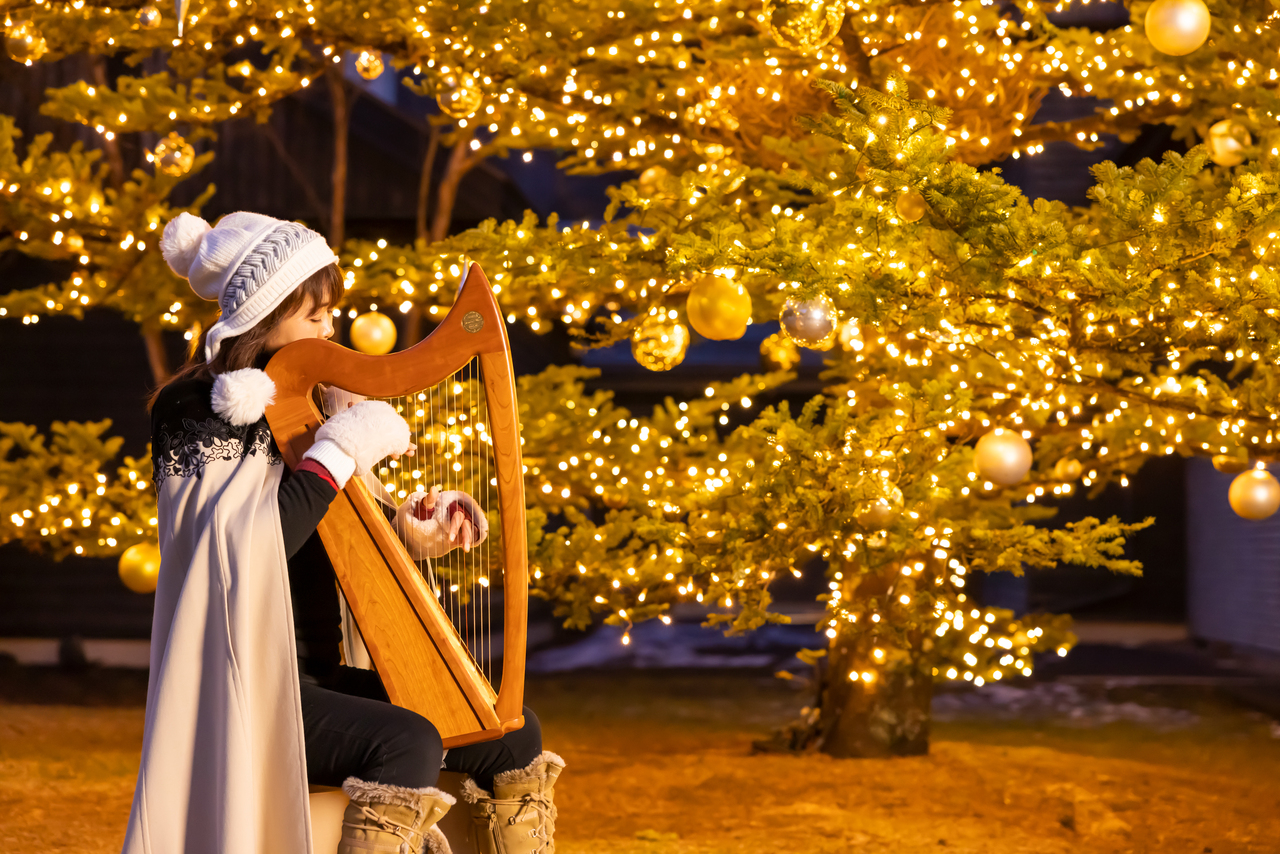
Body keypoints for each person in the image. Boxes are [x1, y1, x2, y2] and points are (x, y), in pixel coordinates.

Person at [123, 211, 563, 854]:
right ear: (266, 314)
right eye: (316, 317)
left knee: (510, 735)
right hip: (245, 680)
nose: (332, 333)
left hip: (319, 671)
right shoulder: (198, 407)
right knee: (405, 739)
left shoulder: (313, 404)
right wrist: (341, 450)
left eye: (332, 315)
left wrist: (411, 532)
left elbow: (334, 535)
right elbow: (250, 549)